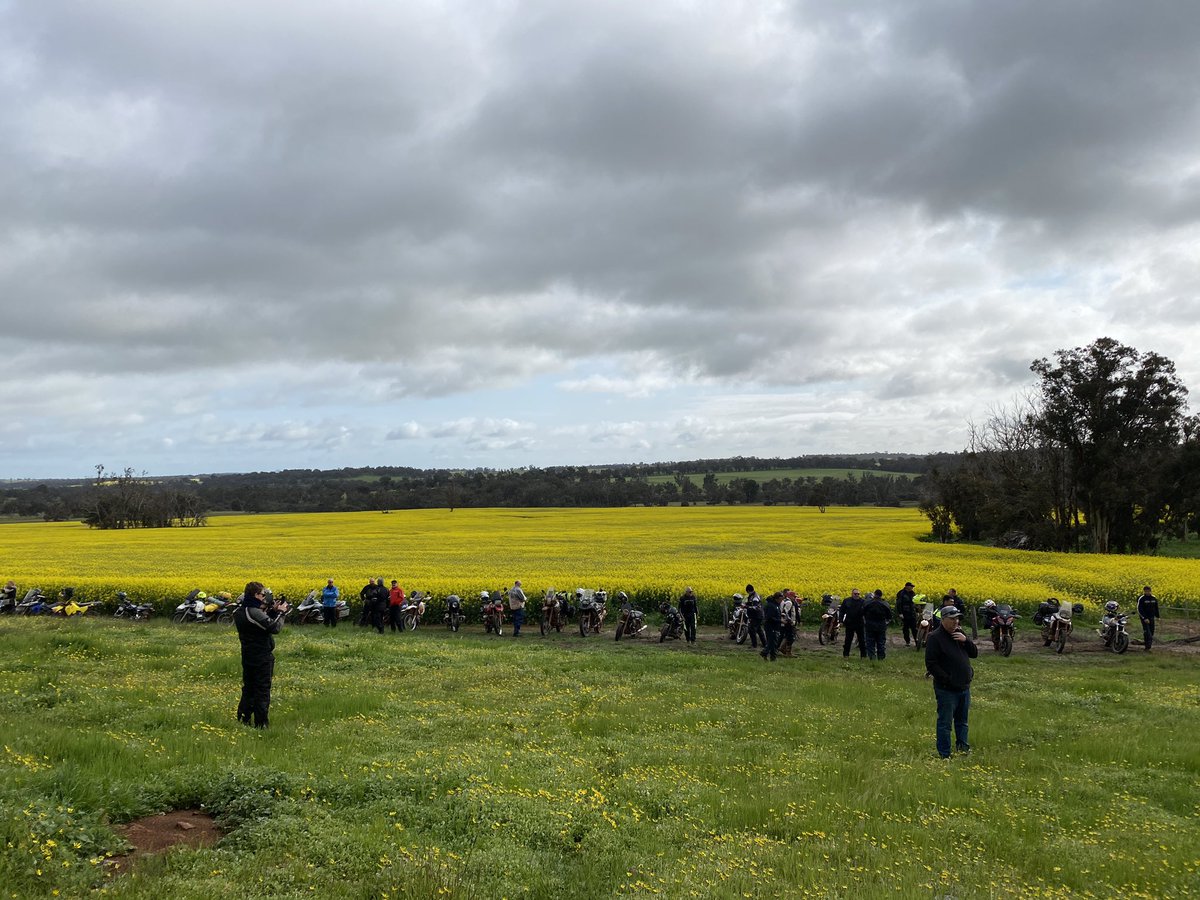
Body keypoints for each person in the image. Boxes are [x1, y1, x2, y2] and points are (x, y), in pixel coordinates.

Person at [925, 606, 978, 758]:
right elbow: (931, 664)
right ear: (943, 620)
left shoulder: (960, 634)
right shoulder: (935, 637)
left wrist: (966, 640)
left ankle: (962, 750)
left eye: (957, 618)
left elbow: (974, 654)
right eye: (952, 618)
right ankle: (944, 754)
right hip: (946, 689)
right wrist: (947, 679)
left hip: (964, 687)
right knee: (945, 723)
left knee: (962, 722)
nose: (956, 621)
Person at [234, 581, 285, 729]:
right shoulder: (254, 612)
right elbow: (274, 627)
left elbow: (261, 623)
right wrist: (281, 612)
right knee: (262, 690)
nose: (264, 598)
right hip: (261, 656)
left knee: (249, 688)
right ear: (255, 595)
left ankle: (243, 719)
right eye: (263, 595)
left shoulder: (241, 611)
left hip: (248, 655)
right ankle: (261, 724)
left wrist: (273, 611)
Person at [862, 589, 893, 660]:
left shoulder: (867, 603)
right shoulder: (885, 604)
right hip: (881, 624)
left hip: (870, 624)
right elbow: (889, 616)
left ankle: (872, 657)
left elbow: (862, 612)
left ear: (874, 594)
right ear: (881, 595)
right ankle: (881, 657)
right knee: (881, 642)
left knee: (870, 642)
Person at [840, 588, 867, 659]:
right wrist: (841, 621)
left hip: (859, 623)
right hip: (849, 623)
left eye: (858, 594)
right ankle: (846, 655)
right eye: (855, 594)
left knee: (862, 641)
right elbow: (842, 611)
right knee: (848, 640)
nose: (857, 595)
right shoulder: (846, 601)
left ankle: (863, 656)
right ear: (852, 594)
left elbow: (866, 612)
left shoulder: (863, 601)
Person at [1137, 586, 1160, 652]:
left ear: (1150, 591)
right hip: (1145, 618)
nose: (1147, 592)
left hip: (1151, 617)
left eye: (1148, 591)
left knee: (1152, 631)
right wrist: (1144, 618)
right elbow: (1139, 609)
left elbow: (1156, 608)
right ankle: (1147, 647)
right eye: (1145, 591)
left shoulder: (1154, 598)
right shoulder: (1142, 598)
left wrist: (1158, 617)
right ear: (1144, 591)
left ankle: (1147, 644)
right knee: (1147, 632)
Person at [896, 582, 918, 646]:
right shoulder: (901, 593)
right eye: (911, 586)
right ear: (907, 586)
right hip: (905, 614)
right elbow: (899, 604)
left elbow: (915, 602)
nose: (912, 587)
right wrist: (900, 613)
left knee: (914, 628)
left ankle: (916, 641)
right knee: (905, 629)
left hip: (912, 613)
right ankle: (907, 642)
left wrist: (917, 610)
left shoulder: (913, 593)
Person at [761, 591, 781, 661]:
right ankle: (765, 653)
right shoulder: (771, 606)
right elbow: (770, 617)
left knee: (772, 642)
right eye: (780, 599)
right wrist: (780, 620)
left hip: (774, 626)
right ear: (776, 598)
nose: (781, 601)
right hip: (770, 626)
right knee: (772, 642)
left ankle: (771, 657)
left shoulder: (776, 605)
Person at [745, 585, 765, 649]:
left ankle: (754, 645)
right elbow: (751, 604)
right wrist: (746, 604)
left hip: (756, 616)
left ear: (748, 591)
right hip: (757, 615)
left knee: (751, 630)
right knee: (759, 630)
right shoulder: (753, 596)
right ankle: (765, 644)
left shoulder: (755, 597)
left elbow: (755, 607)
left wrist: (746, 607)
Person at [778, 591, 798, 657]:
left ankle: (782, 648)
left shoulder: (784, 601)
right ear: (790, 596)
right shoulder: (789, 602)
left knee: (787, 636)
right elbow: (784, 612)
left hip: (784, 622)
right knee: (791, 637)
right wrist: (790, 621)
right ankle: (788, 652)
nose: (795, 598)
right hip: (788, 623)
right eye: (794, 597)